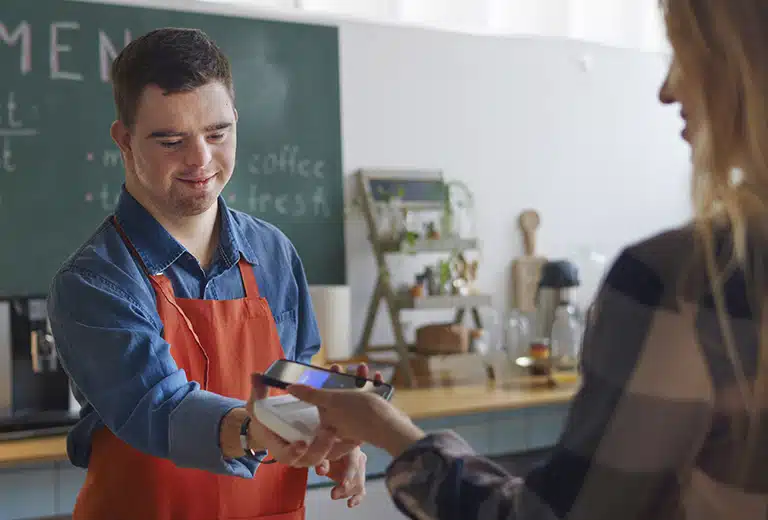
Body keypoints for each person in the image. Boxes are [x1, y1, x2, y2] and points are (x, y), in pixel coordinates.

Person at [277, 2, 768, 519]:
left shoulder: (679, 280)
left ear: (743, 65)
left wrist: (386, 429)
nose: (668, 90)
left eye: (686, 56)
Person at [47, 28, 366, 520]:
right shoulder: (94, 282)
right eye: (171, 140)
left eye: (217, 134)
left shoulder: (273, 251)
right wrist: (256, 430)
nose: (200, 159)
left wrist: (332, 419)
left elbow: (293, 372)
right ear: (124, 140)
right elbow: (160, 405)